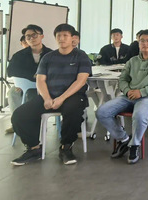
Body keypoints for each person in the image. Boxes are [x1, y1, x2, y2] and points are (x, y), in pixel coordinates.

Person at [11, 23, 91, 166]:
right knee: (19, 115)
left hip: (72, 96)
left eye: (65, 35)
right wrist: (47, 98)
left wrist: (61, 98)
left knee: (73, 111)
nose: (61, 38)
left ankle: (66, 147)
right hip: (49, 96)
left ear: (73, 38)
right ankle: (34, 148)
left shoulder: (81, 56)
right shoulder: (48, 57)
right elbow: (40, 80)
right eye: (58, 35)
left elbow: (80, 81)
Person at [95, 30, 148, 164]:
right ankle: (124, 139)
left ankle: (134, 145)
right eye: (142, 41)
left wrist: (141, 92)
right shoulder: (133, 61)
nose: (145, 43)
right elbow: (123, 79)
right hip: (129, 96)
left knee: (140, 115)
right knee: (102, 112)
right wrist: (127, 90)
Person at [6, 25, 53, 134]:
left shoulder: (51, 54)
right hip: (25, 86)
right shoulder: (19, 55)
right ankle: (17, 123)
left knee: (32, 95)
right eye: (28, 36)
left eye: (34, 35)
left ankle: (37, 125)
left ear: (41, 36)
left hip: (46, 87)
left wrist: (40, 76)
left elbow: (56, 71)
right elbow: (10, 71)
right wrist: (28, 78)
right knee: (13, 93)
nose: (31, 38)